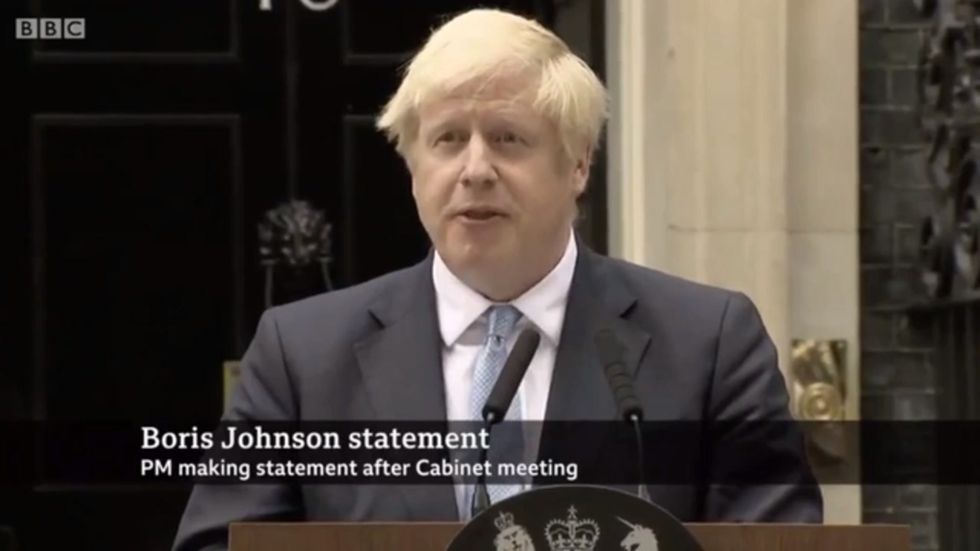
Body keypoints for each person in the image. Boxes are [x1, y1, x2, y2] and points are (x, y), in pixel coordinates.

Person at [172, 8, 821, 550]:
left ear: (577, 165)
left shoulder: (708, 342)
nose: (475, 169)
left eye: (508, 138)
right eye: (448, 139)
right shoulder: (302, 355)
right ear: (412, 165)